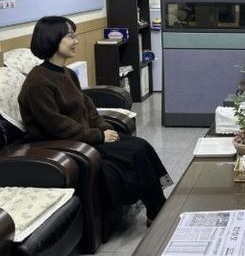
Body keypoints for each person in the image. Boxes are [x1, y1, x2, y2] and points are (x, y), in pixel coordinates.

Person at [18, 16, 171, 225]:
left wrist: (104, 127)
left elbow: (88, 106)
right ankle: (157, 212)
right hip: (65, 143)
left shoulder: (67, 73)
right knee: (135, 151)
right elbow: (56, 125)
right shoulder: (38, 83)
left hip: (84, 136)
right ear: (52, 39)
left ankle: (157, 208)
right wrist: (98, 135)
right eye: (70, 36)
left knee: (141, 146)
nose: (76, 41)